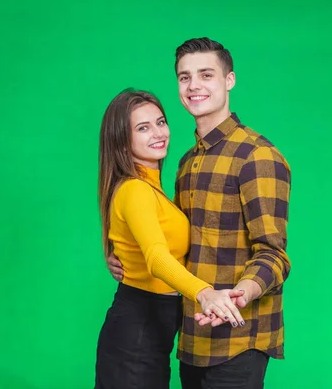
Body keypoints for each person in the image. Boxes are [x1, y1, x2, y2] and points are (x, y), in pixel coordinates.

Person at [107, 38, 292, 388]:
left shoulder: (258, 156)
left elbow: (273, 254)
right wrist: (121, 255)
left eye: (206, 74)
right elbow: (172, 240)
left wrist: (242, 292)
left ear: (229, 80)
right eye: (184, 77)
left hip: (240, 339)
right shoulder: (185, 164)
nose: (194, 86)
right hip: (192, 337)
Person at [94, 88, 246, 389]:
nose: (158, 133)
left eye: (160, 122)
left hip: (154, 330)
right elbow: (156, 258)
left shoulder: (152, 190)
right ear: (121, 141)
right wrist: (204, 293)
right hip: (136, 335)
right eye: (142, 128)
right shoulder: (135, 190)